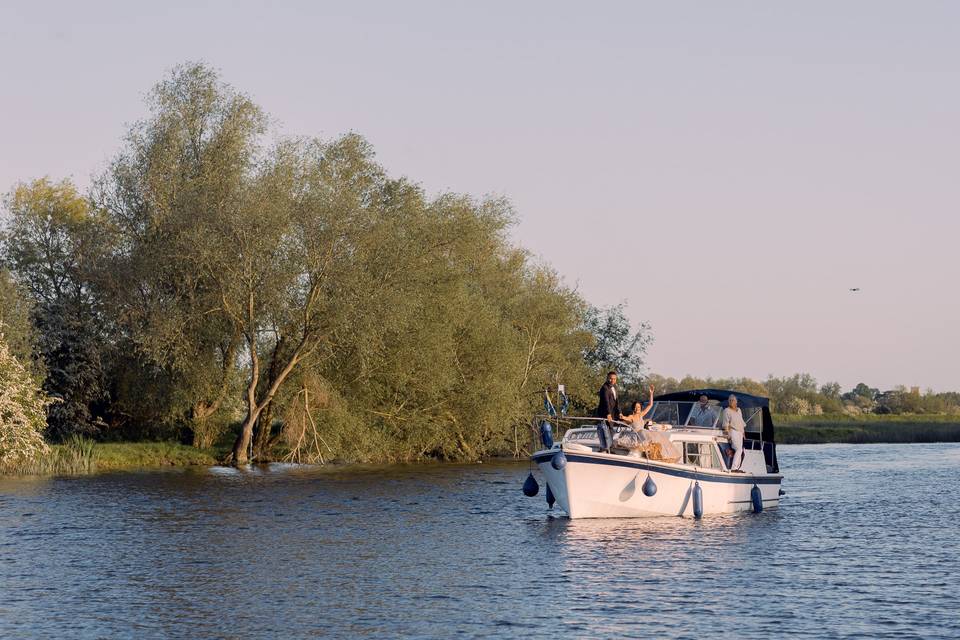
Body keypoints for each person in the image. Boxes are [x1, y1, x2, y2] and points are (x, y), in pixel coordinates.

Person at [722, 394, 747, 472]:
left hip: (740, 432)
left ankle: (737, 468)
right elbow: (725, 424)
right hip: (733, 431)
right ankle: (734, 468)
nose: (731, 401)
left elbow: (741, 422)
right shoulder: (726, 410)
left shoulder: (739, 410)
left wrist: (743, 434)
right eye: (730, 400)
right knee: (738, 449)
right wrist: (727, 435)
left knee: (740, 450)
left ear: (736, 402)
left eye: (733, 400)